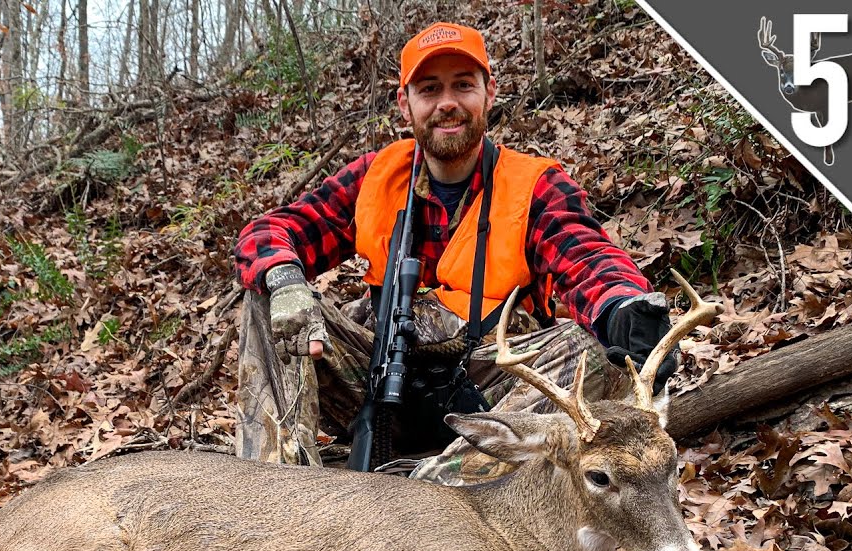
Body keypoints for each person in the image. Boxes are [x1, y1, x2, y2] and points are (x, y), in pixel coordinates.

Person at [231, 21, 678, 484]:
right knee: (267, 298)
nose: (447, 102)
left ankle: (436, 493)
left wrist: (621, 308)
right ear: (406, 104)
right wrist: (284, 278)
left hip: (489, 398)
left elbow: (586, 257)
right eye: (430, 89)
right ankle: (272, 495)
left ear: (489, 94)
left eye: (463, 85)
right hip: (380, 380)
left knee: (588, 350)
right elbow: (272, 231)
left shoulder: (533, 185)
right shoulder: (376, 177)